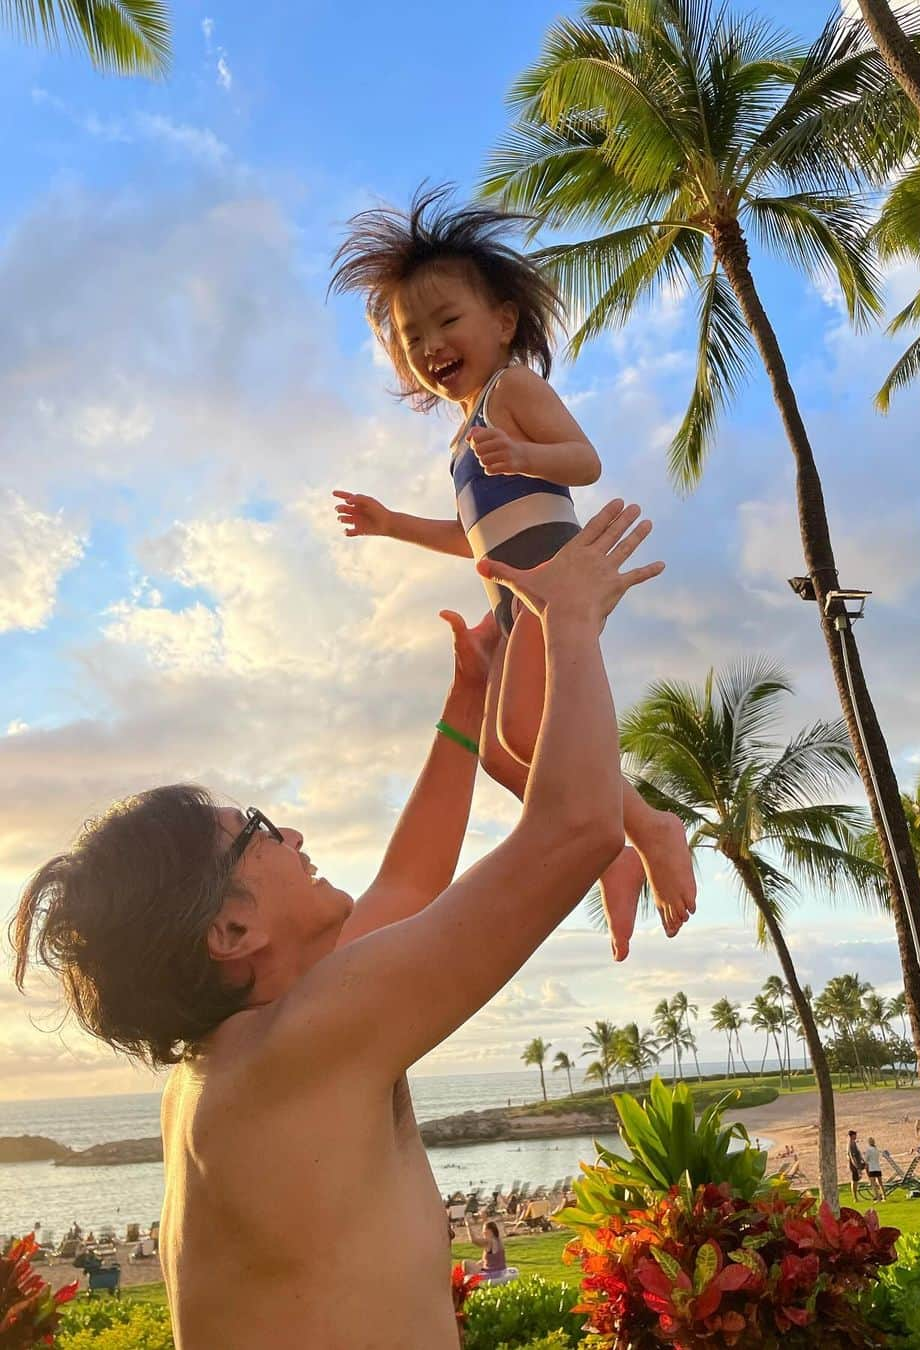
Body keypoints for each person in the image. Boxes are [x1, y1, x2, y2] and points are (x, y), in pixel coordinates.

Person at [10, 500, 658, 1350]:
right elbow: (574, 829)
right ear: (231, 932)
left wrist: (467, 702)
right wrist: (570, 619)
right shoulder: (299, 1050)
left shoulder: (236, 1062)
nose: (295, 837)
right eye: (260, 832)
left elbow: (408, 885)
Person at [329, 186, 696, 963]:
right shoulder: (461, 440)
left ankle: (649, 827)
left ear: (502, 321)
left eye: (447, 320)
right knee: (498, 752)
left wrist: (527, 456)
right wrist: (393, 524)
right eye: (412, 335)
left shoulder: (512, 392)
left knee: (525, 730)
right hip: (511, 596)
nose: (430, 345)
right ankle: (613, 853)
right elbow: (474, 536)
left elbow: (585, 460)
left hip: (556, 581)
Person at [864, 1136, 885, 1202]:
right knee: (880, 1183)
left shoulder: (868, 1150)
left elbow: (866, 1160)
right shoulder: (876, 1149)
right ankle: (884, 1196)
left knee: (873, 1184)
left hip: (872, 1169)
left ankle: (878, 1198)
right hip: (878, 1168)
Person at [847, 1129, 865, 1202]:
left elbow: (858, 1153)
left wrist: (862, 1159)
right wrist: (857, 1167)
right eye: (854, 1135)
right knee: (854, 1181)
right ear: (851, 1136)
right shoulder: (850, 1145)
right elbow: (852, 1157)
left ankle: (872, 1184)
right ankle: (855, 1198)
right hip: (854, 1165)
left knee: (857, 1180)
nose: (856, 1136)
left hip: (858, 1163)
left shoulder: (854, 1143)